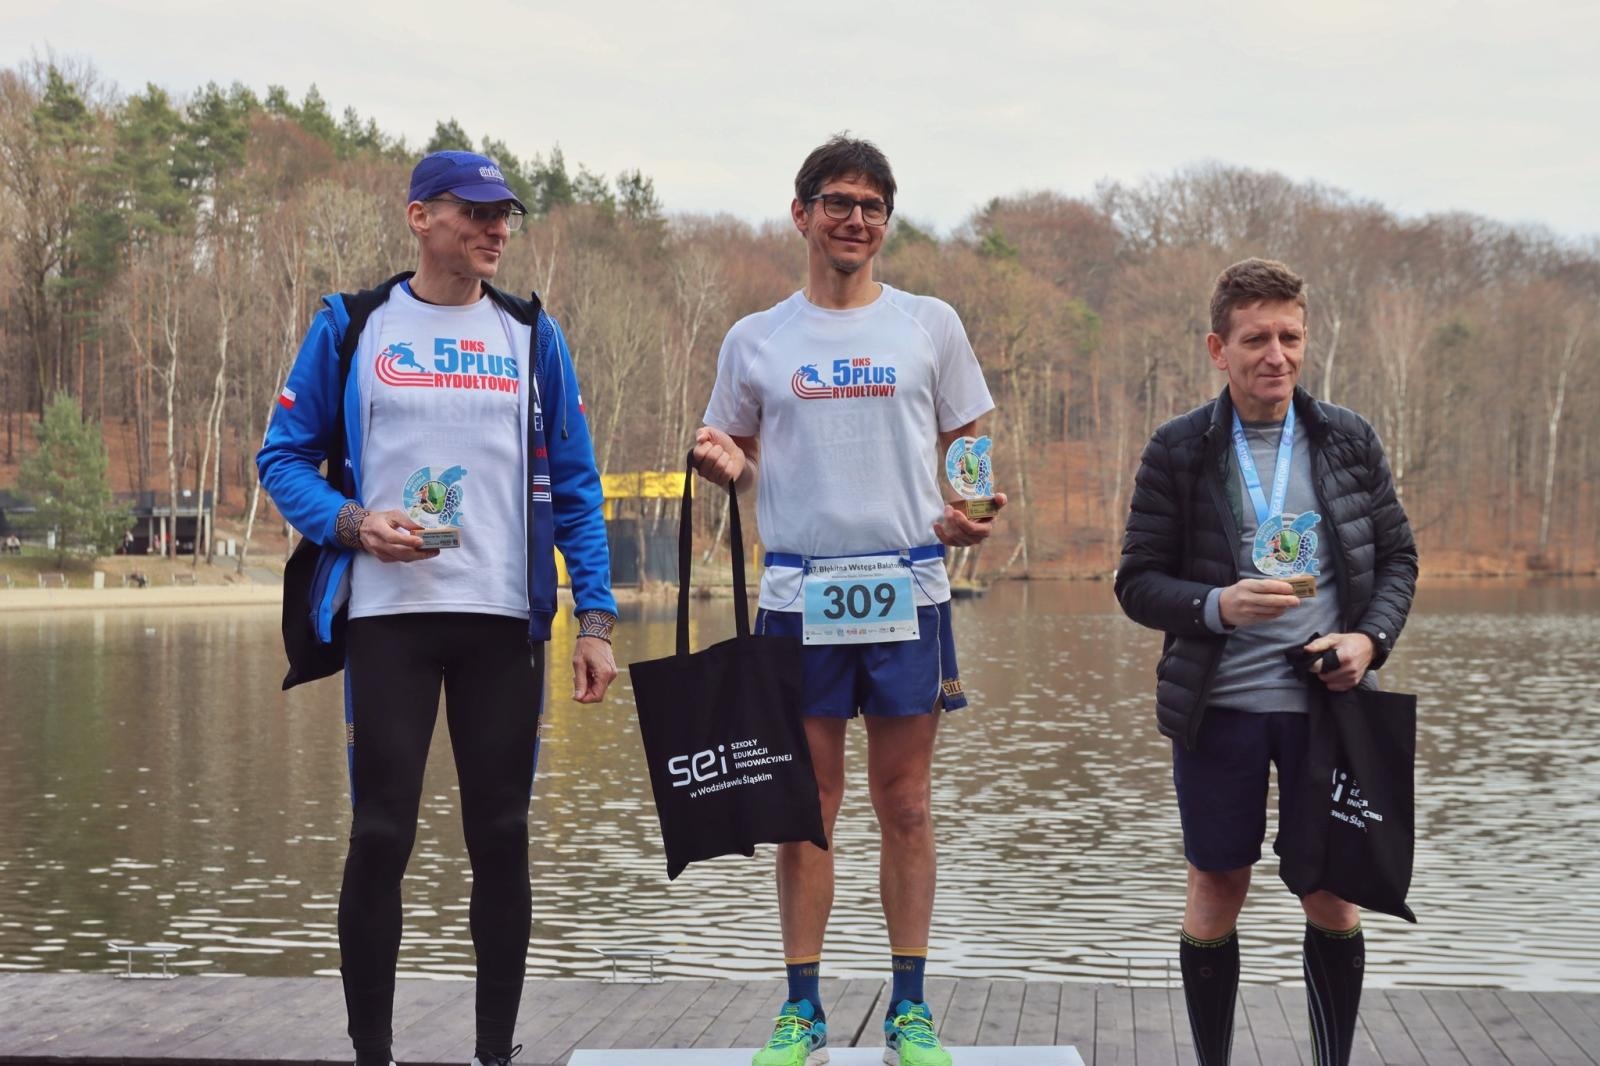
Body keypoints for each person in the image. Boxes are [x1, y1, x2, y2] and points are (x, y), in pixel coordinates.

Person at [257, 150, 618, 1066]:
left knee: (501, 836)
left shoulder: (532, 336)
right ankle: (371, 1057)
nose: (498, 228)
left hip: (502, 621)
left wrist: (599, 623)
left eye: (507, 215)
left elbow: (576, 486)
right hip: (388, 621)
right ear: (421, 217)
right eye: (477, 212)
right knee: (381, 834)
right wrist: (348, 521)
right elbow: (282, 458)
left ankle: (495, 1054)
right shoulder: (353, 325)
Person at [693, 135, 1003, 1066]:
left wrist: (971, 508)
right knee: (807, 806)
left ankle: (910, 1008)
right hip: (800, 593)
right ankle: (802, 1010)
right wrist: (724, 466)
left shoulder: (928, 324)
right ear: (802, 214)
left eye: (872, 207)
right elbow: (738, 455)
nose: (855, 220)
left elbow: (968, 436)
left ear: (886, 223)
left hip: (907, 585)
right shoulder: (758, 338)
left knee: (904, 803)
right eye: (838, 203)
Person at [1114, 258, 1417, 1065]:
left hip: (1332, 708)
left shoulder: (1348, 438)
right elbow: (1136, 582)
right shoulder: (1178, 449)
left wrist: (1369, 640)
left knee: (1332, 894)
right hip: (1220, 710)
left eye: (1289, 336)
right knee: (1218, 886)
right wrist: (1216, 606)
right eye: (1255, 339)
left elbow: (1398, 561)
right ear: (1219, 348)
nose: (1274, 355)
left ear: (1305, 340)